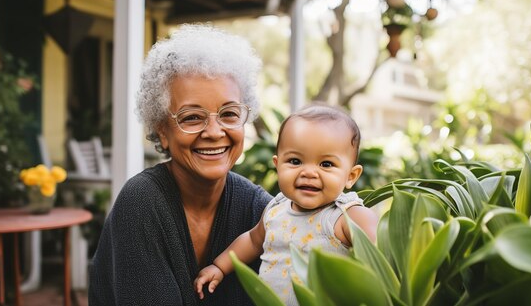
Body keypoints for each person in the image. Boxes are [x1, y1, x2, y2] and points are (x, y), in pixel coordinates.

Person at [88, 24, 273, 305]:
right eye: (192, 117)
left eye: (229, 114)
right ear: (163, 129)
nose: (214, 132)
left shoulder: (257, 207)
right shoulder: (141, 202)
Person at [194, 104, 379, 305]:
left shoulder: (345, 216)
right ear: (277, 165)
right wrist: (220, 267)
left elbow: (380, 261)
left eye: (326, 164)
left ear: (351, 176)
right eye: (295, 161)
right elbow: (253, 241)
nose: (308, 172)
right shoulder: (276, 209)